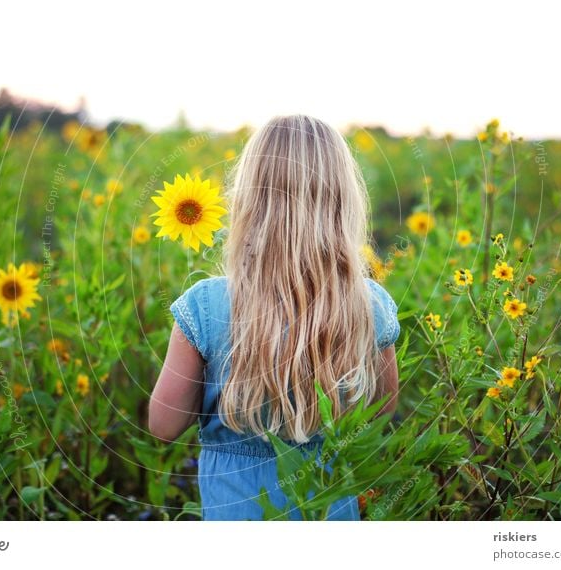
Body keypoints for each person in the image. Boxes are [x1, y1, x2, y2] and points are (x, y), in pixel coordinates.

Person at [148, 114, 400, 520]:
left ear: (248, 198)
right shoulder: (369, 305)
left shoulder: (206, 306)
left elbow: (163, 424)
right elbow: (383, 411)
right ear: (343, 200)